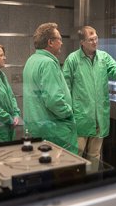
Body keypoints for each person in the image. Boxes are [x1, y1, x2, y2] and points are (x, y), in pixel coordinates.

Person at [63, 26, 116, 160]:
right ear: (82, 42)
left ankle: (93, 180)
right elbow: (65, 88)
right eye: (91, 40)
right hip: (80, 118)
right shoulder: (72, 60)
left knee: (94, 156)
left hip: (99, 117)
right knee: (74, 156)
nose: (95, 42)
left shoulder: (104, 57)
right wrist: (68, 113)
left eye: (96, 38)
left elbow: (115, 72)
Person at [23, 23, 77, 154]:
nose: (62, 43)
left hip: (37, 127)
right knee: (64, 169)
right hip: (54, 130)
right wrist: (68, 113)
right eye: (59, 39)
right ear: (50, 42)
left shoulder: (32, 60)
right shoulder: (48, 63)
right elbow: (54, 100)